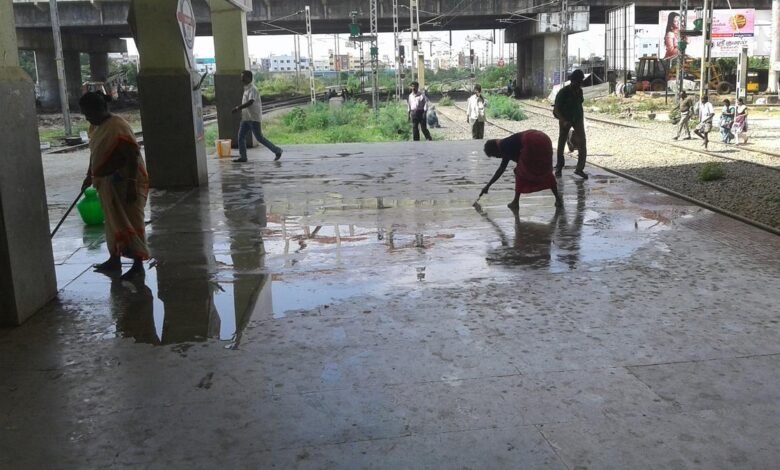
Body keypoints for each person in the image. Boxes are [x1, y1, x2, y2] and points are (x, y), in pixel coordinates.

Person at [79, 92, 149, 280]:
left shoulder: (118, 126)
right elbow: (95, 154)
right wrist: (89, 175)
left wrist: (132, 185)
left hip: (125, 183)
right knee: (112, 222)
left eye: (88, 113)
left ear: (99, 109)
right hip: (106, 183)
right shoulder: (96, 127)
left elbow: (132, 156)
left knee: (131, 221)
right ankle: (114, 259)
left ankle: (138, 265)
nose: (87, 117)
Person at [479, 130, 563, 212]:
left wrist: (488, 186)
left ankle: (515, 202)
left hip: (530, 141)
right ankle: (558, 199)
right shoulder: (505, 142)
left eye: (495, 155)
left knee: (519, 172)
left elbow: (501, 169)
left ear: (495, 150)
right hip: (544, 138)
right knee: (546, 171)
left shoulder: (503, 146)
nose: (498, 157)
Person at [231, 70, 282, 163]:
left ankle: (277, 150)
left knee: (259, 138)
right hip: (246, 118)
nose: (241, 79)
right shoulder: (246, 89)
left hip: (254, 118)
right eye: (241, 77)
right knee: (241, 137)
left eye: (243, 77)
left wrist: (238, 108)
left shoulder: (253, 89)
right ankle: (243, 157)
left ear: (249, 78)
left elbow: (250, 102)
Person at [553, 69, 588, 179]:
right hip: (565, 120)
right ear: (572, 80)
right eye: (578, 81)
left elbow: (579, 103)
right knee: (562, 142)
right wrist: (564, 120)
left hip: (578, 120)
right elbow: (556, 109)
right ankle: (559, 167)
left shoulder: (579, 91)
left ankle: (579, 169)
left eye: (580, 81)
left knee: (582, 142)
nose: (579, 84)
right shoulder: (563, 92)